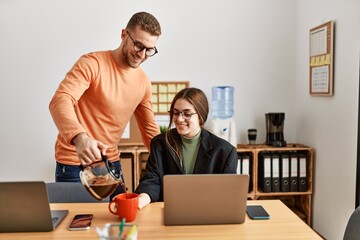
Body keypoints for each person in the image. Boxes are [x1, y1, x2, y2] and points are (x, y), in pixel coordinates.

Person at [49, 12, 161, 197]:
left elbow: (150, 132)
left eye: (149, 49)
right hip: (75, 162)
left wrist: (171, 163)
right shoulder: (92, 64)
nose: (142, 55)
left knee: (120, 221)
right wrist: (80, 138)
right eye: (138, 45)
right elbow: (60, 100)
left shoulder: (143, 82)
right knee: (77, 224)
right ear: (124, 34)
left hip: (111, 162)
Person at [135, 87, 238, 209]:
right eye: (176, 112)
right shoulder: (160, 143)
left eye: (187, 114)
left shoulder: (225, 151)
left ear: (201, 116)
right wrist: (141, 200)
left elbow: (227, 195)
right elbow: (152, 180)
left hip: (209, 213)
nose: (179, 119)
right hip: (170, 211)